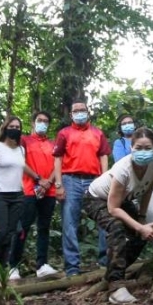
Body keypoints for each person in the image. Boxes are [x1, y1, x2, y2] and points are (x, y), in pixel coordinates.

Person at [85, 126, 153, 304]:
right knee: (117, 228)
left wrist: (142, 219)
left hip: (124, 200)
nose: (142, 152)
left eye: (147, 148)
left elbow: (148, 190)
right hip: (97, 198)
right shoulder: (123, 169)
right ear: (131, 148)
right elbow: (113, 208)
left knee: (141, 234)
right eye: (138, 148)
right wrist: (139, 226)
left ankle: (113, 273)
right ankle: (116, 287)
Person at [51, 100, 110, 277]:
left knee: (103, 220)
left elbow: (104, 156)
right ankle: (72, 268)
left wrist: (105, 179)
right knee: (69, 223)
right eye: (76, 111)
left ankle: (105, 262)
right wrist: (59, 184)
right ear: (71, 115)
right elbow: (58, 158)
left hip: (95, 180)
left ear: (88, 112)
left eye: (82, 110)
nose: (80, 113)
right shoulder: (64, 133)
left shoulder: (98, 133)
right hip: (71, 180)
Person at [0, 116, 34, 290]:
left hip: (17, 195)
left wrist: (37, 178)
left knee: (10, 235)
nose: (14, 129)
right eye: (11, 126)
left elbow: (22, 166)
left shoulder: (20, 150)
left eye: (18, 126)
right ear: (5, 128)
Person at [7, 111, 59, 280]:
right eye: (39, 120)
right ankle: (12, 266)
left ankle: (42, 264)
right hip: (29, 190)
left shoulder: (52, 144)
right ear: (33, 123)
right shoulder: (24, 140)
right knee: (22, 228)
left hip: (49, 191)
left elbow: (58, 164)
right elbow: (19, 162)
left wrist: (48, 182)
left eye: (45, 121)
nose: (42, 123)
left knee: (44, 227)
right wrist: (38, 179)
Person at [112, 114, 153, 251]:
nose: (127, 125)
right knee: (127, 221)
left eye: (130, 122)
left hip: (146, 184)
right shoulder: (120, 143)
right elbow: (121, 163)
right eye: (124, 123)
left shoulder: (148, 142)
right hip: (127, 186)